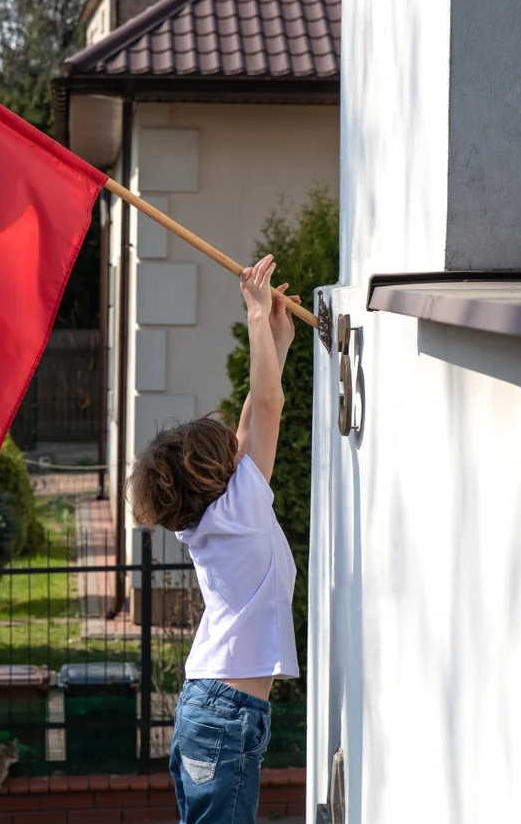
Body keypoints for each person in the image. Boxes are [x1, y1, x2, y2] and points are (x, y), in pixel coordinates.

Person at [128, 254, 300, 824]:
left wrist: (276, 340)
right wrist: (255, 315)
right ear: (217, 472)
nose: (236, 444)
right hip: (223, 713)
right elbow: (266, 407)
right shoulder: (239, 510)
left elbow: (254, 420)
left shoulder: (206, 520)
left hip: (213, 708)